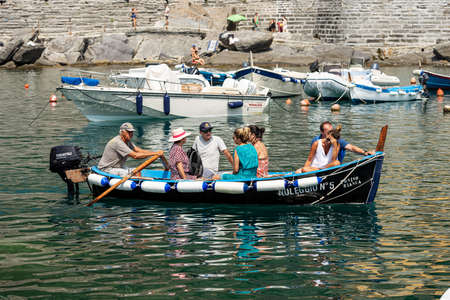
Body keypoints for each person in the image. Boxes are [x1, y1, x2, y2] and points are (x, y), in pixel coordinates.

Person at [98, 122, 163, 176]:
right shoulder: (118, 142)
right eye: (129, 132)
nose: (131, 134)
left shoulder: (127, 141)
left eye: (132, 132)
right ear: (122, 132)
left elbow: (139, 150)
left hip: (117, 167)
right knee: (136, 173)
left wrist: (156, 153)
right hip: (107, 169)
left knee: (137, 170)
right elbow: (135, 155)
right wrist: (155, 154)